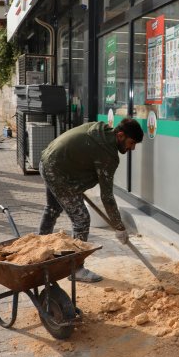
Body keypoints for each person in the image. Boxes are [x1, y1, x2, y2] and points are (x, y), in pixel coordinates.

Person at [38, 118, 144, 282]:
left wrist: (75, 187)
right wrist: (119, 226)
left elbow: (81, 156)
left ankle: (39, 249)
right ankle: (76, 269)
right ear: (121, 135)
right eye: (131, 143)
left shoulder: (100, 130)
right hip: (58, 172)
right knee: (82, 218)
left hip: (48, 162)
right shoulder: (107, 153)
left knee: (53, 209)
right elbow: (107, 197)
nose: (132, 148)